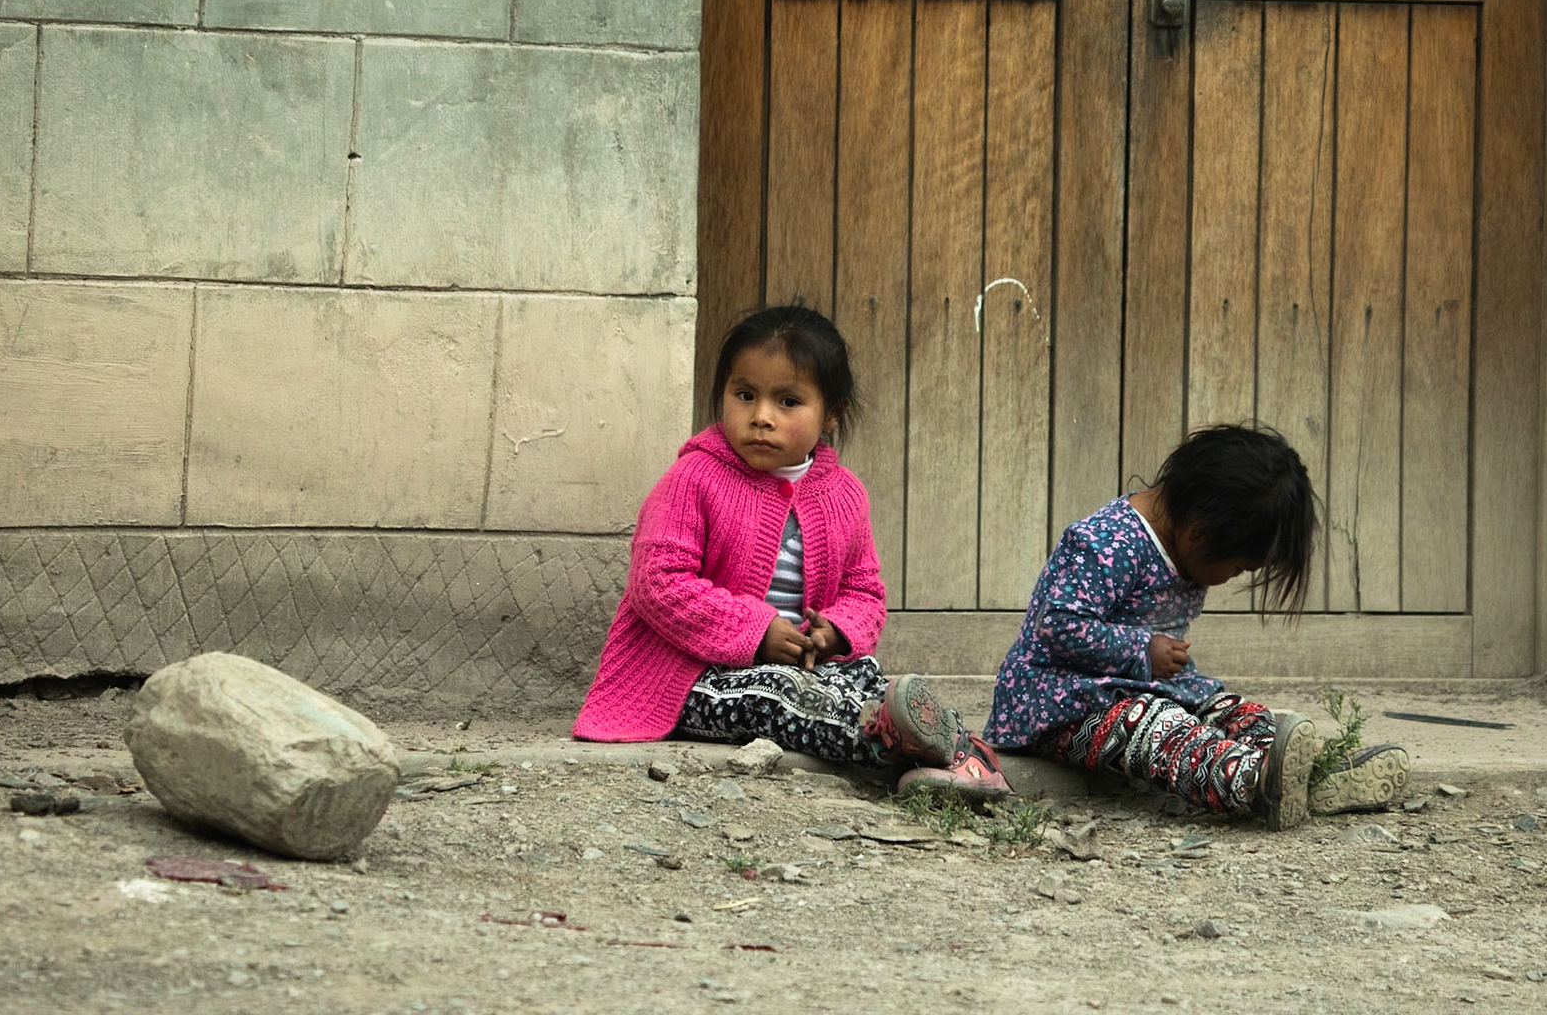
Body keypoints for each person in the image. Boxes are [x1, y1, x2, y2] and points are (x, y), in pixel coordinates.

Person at [573, 304, 1010, 798]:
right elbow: (658, 584)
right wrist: (757, 632)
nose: (761, 417)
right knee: (775, 698)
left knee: (865, 676)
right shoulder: (693, 479)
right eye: (744, 395)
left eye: (787, 401)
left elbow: (864, 592)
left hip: (808, 665)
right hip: (693, 675)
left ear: (831, 413)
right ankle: (894, 745)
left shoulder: (845, 495)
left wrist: (837, 632)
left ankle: (957, 749)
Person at [985, 424, 1409, 828]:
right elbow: (1058, 622)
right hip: (1060, 704)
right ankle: (1254, 784)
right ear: (1201, 533)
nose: (1234, 577)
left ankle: (1313, 775)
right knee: (1160, 730)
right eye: (1239, 567)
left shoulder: (1181, 541)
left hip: (1138, 692)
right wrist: (1143, 649)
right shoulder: (1105, 542)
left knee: (1239, 714)